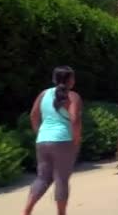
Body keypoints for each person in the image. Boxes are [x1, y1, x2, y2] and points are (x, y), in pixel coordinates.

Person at [23, 66, 83, 215]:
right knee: (61, 179)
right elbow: (75, 119)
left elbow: (33, 116)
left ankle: (26, 212)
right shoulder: (73, 96)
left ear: (54, 79)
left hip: (43, 140)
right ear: (70, 80)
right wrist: (76, 139)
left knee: (42, 178)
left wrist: (41, 133)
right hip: (63, 140)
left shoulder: (43, 94)